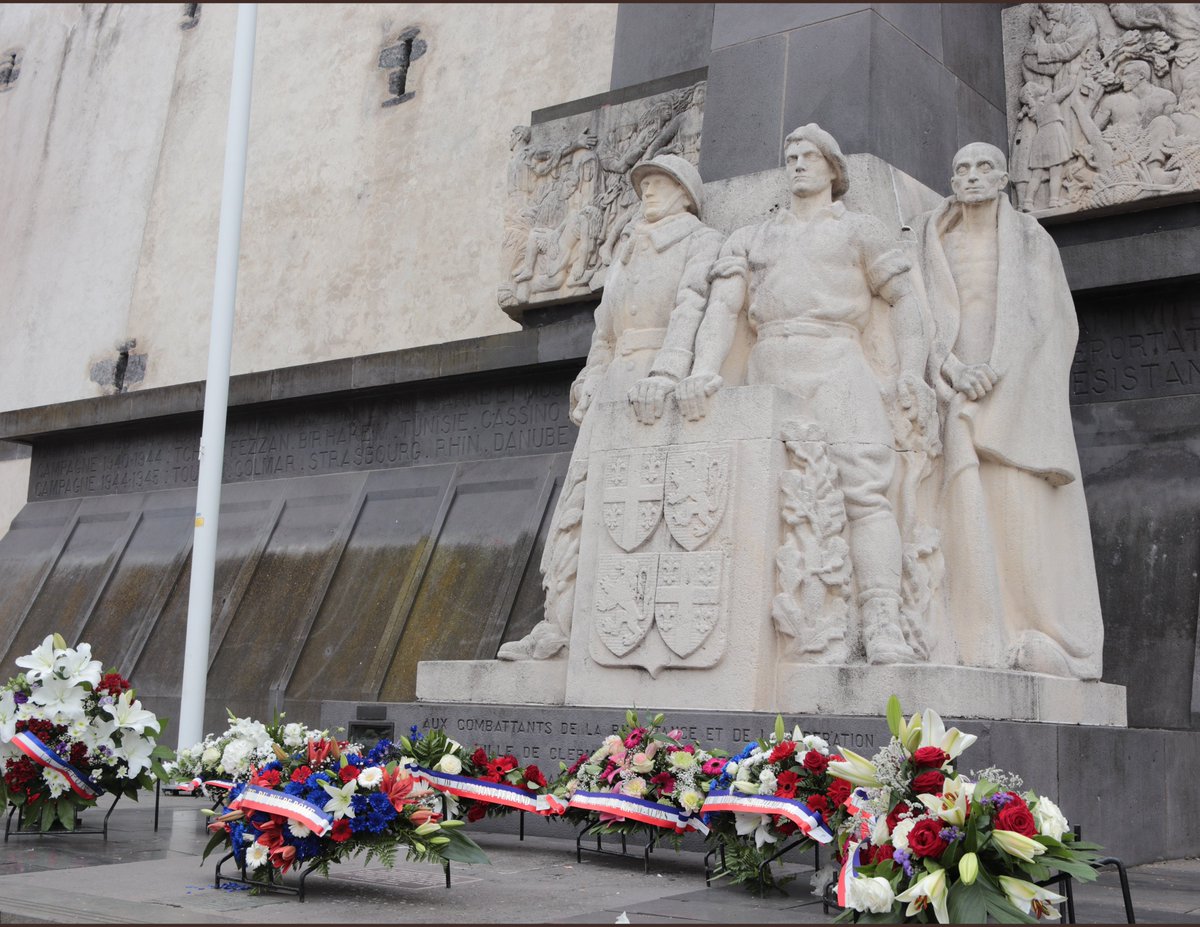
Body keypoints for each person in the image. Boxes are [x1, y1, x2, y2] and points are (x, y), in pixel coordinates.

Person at [675, 124, 935, 665]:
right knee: (759, 497)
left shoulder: (861, 230)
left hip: (839, 360)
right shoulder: (752, 236)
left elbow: (906, 300)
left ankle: (882, 620)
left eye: (808, 157)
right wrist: (703, 369)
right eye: (790, 156)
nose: (796, 164)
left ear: (833, 170)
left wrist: (911, 370)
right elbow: (723, 308)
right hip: (771, 362)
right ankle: (752, 624)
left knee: (865, 492)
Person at [497, 154, 724, 661]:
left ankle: (618, 626)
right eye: (644, 182)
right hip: (616, 377)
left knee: (640, 508)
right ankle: (560, 620)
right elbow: (605, 324)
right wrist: (591, 374)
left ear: (685, 194)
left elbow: (691, 306)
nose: (649, 190)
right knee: (580, 499)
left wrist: (668, 370)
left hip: (656, 381)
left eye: (661, 183)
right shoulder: (629, 244)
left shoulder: (700, 241)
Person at [914, 142, 1103, 679]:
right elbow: (920, 314)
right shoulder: (933, 237)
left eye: (983, 169)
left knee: (1018, 513)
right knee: (964, 511)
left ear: (1003, 180)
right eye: (961, 169)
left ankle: (1035, 627)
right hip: (954, 390)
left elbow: (1049, 320)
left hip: (1013, 396)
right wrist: (952, 371)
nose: (971, 177)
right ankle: (976, 632)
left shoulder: (1029, 239)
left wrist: (997, 372)